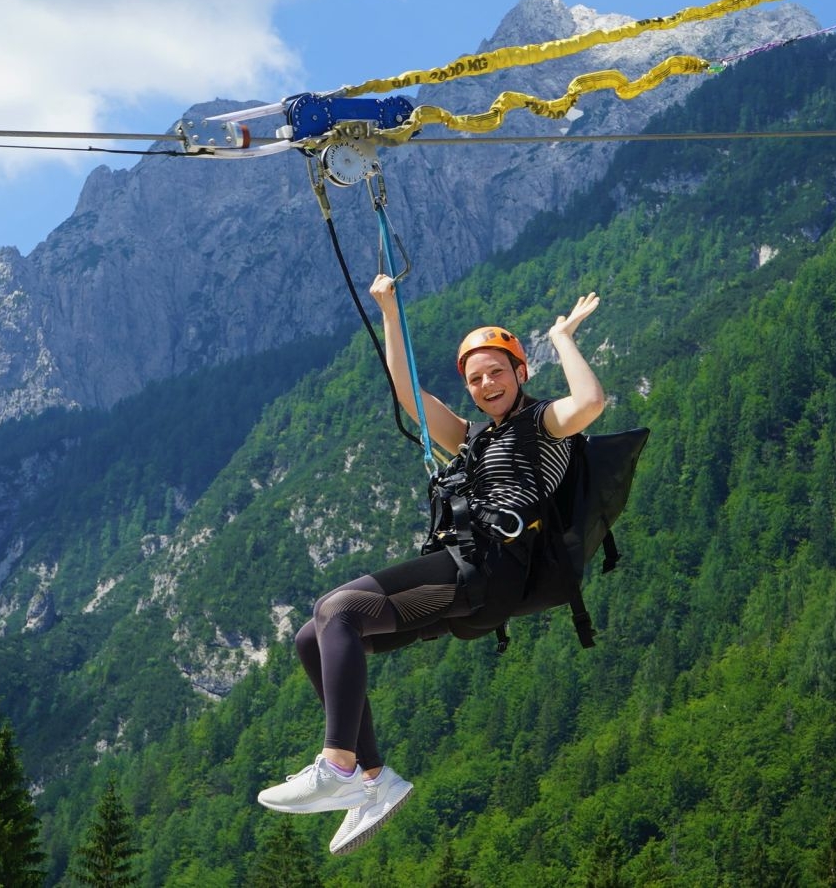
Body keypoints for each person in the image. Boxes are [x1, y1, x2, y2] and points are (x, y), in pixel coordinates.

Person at [257, 273, 607, 855]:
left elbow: (590, 403)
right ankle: (373, 781)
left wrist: (561, 335)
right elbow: (408, 395)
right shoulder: (471, 437)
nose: (487, 383)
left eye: (498, 370)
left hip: (489, 569)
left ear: (522, 373)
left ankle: (339, 764)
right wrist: (388, 309)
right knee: (311, 637)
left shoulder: (543, 426)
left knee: (336, 609)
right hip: (463, 568)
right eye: (475, 378)